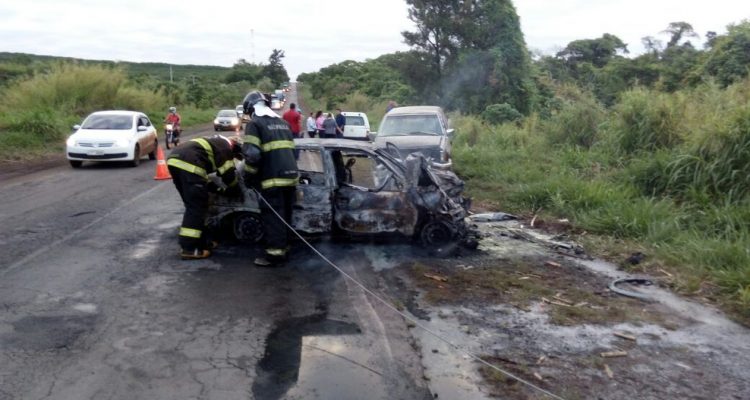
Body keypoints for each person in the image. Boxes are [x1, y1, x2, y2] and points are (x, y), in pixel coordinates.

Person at [241, 90, 299, 267]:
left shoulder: (255, 124)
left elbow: (252, 156)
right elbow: (293, 151)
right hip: (291, 178)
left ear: (251, 108)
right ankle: (285, 248)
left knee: (273, 218)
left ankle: (275, 255)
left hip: (272, 180)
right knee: (285, 216)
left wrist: (248, 176)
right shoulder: (283, 123)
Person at [166, 135, 243, 259]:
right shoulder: (225, 147)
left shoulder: (214, 143)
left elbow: (205, 178)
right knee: (197, 207)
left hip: (175, 161)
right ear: (234, 147)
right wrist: (235, 189)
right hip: (189, 163)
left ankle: (203, 242)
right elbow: (228, 174)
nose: (233, 158)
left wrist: (215, 188)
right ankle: (189, 249)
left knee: (193, 204)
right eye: (234, 156)